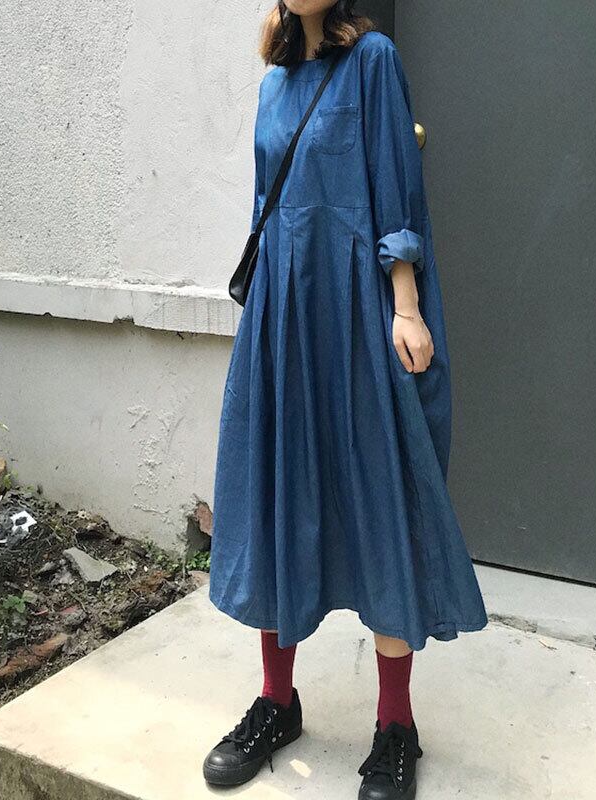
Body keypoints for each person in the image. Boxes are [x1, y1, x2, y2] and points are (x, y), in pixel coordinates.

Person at [203, 2, 488, 797]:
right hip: (282, 315)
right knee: (276, 495)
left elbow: (397, 188)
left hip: (358, 309)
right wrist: (264, 320)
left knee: (381, 498)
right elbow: (265, 208)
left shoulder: (373, 62)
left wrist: (406, 306)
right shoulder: (272, 85)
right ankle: (276, 701)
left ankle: (396, 725)